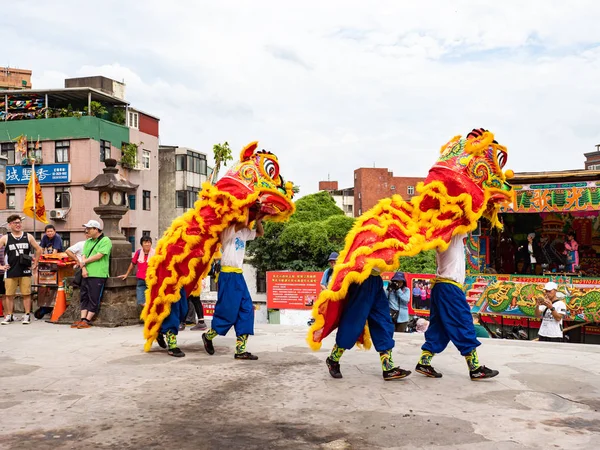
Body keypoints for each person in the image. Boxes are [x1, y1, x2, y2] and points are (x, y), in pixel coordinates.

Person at [415, 233, 499, 380]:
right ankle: (475, 368)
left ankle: (424, 362)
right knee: (463, 322)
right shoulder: (452, 235)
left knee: (439, 327)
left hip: (442, 287)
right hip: (449, 288)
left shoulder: (446, 236)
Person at [324, 268, 412, 381]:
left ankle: (388, 368)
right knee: (353, 324)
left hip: (376, 280)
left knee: (383, 322)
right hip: (362, 279)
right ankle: (333, 359)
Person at [202, 212, 265, 360]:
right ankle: (208, 336)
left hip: (238, 275)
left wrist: (259, 220)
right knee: (228, 312)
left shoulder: (244, 232)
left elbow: (260, 233)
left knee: (247, 310)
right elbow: (242, 223)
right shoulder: (227, 230)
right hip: (228, 275)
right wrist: (252, 213)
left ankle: (240, 350)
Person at [0, 215, 42, 325]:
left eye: (19, 222)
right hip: (11, 270)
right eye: (15, 223)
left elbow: (38, 249)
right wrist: (1, 266)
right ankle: (9, 315)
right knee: (9, 295)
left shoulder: (28, 236)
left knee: (26, 294)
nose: (18, 225)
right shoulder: (5, 238)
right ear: (10, 225)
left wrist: (35, 263)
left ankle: (27, 315)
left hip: (25, 270)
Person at [71, 220, 112, 329]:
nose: (87, 231)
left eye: (89, 229)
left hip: (98, 273)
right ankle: (82, 318)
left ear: (96, 229)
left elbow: (99, 255)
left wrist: (84, 262)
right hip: (86, 273)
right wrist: (83, 268)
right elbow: (83, 256)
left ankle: (87, 320)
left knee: (94, 297)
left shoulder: (105, 240)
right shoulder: (88, 242)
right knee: (84, 296)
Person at [119, 236, 155, 314]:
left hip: (152, 280)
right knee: (141, 300)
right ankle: (152, 310)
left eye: (149, 242)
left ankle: (152, 315)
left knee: (153, 299)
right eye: (145, 242)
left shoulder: (155, 253)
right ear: (142, 244)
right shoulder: (139, 252)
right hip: (141, 280)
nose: (147, 244)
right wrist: (126, 274)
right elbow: (133, 263)